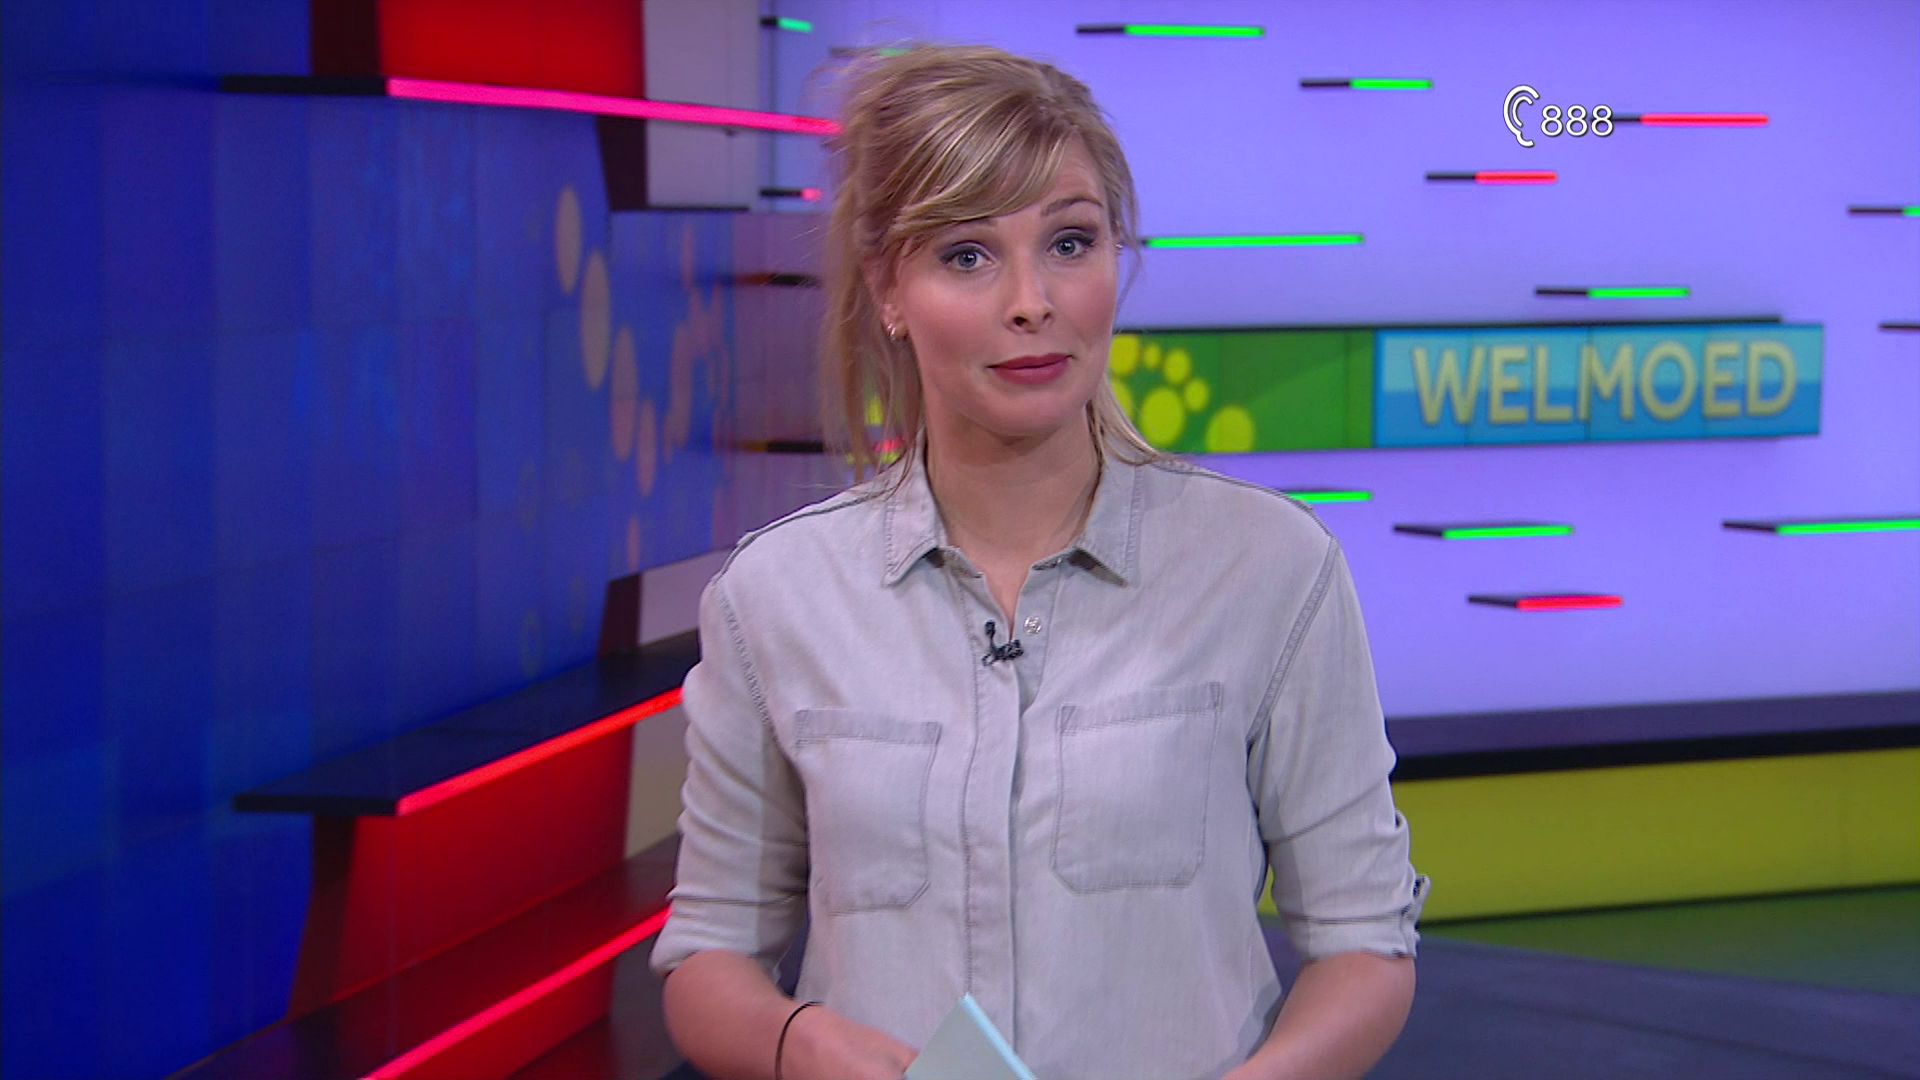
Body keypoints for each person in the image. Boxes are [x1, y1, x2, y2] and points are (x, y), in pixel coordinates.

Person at [651, 43, 1429, 1080]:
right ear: (888, 289)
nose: (1032, 300)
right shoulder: (777, 596)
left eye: (1070, 242)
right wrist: (800, 1044)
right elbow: (707, 955)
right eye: (967, 255)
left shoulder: (1271, 568)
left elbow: (1366, 942)